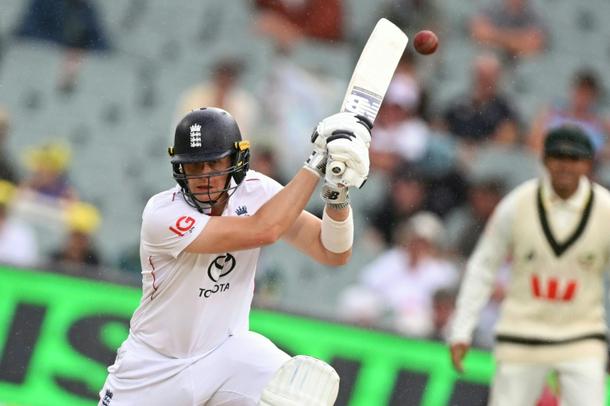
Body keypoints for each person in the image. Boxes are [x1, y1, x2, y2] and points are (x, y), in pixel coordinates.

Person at [98, 107, 373, 405]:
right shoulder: (162, 213)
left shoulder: (256, 191)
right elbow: (264, 229)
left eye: (214, 162)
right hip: (154, 366)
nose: (204, 176)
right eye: (194, 166)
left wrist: (337, 192)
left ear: (235, 160)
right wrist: (318, 161)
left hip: (227, 354)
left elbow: (332, 252)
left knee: (297, 392)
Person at [448, 125, 610, 406]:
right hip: (521, 332)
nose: (565, 166)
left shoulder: (605, 210)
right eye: (558, 157)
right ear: (544, 159)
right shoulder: (517, 204)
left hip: (581, 335)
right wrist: (462, 328)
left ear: (587, 164)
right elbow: (483, 267)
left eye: (574, 159)